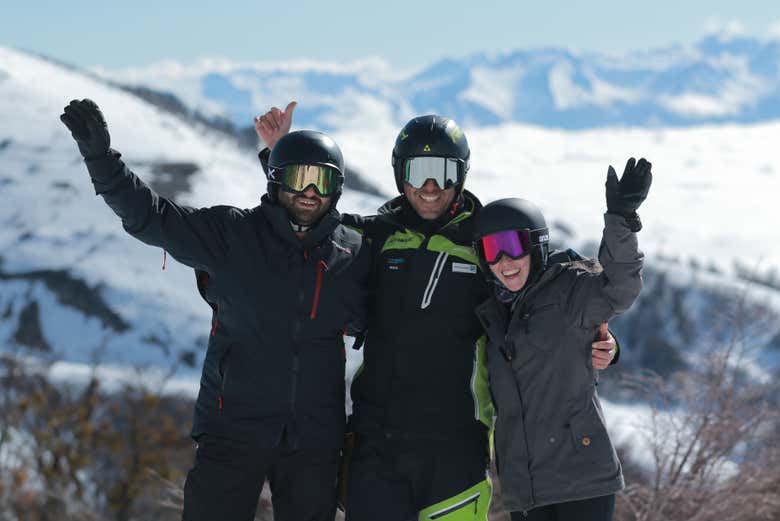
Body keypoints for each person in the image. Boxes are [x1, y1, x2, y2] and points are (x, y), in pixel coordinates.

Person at [255, 106, 618, 520]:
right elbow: (308, 219)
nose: (430, 187)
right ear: (400, 174)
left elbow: (547, 287)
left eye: (444, 172)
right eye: (418, 171)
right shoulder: (374, 236)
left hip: (457, 447)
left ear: (461, 175)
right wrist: (279, 154)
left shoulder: (485, 240)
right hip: (377, 445)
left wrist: (605, 340)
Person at [60, 99, 370, 521]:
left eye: (324, 180)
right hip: (233, 427)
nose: (311, 191)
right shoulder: (233, 235)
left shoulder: (351, 253)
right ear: (277, 178)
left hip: (313, 440)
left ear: (338, 188)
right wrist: (100, 159)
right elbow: (151, 217)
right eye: (299, 177)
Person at [472, 158, 652, 521]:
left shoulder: (569, 289)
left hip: (581, 478)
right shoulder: (490, 313)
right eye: (491, 250)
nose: (504, 260)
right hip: (525, 488)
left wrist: (620, 219)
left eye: (512, 245)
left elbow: (619, 288)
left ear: (536, 244)